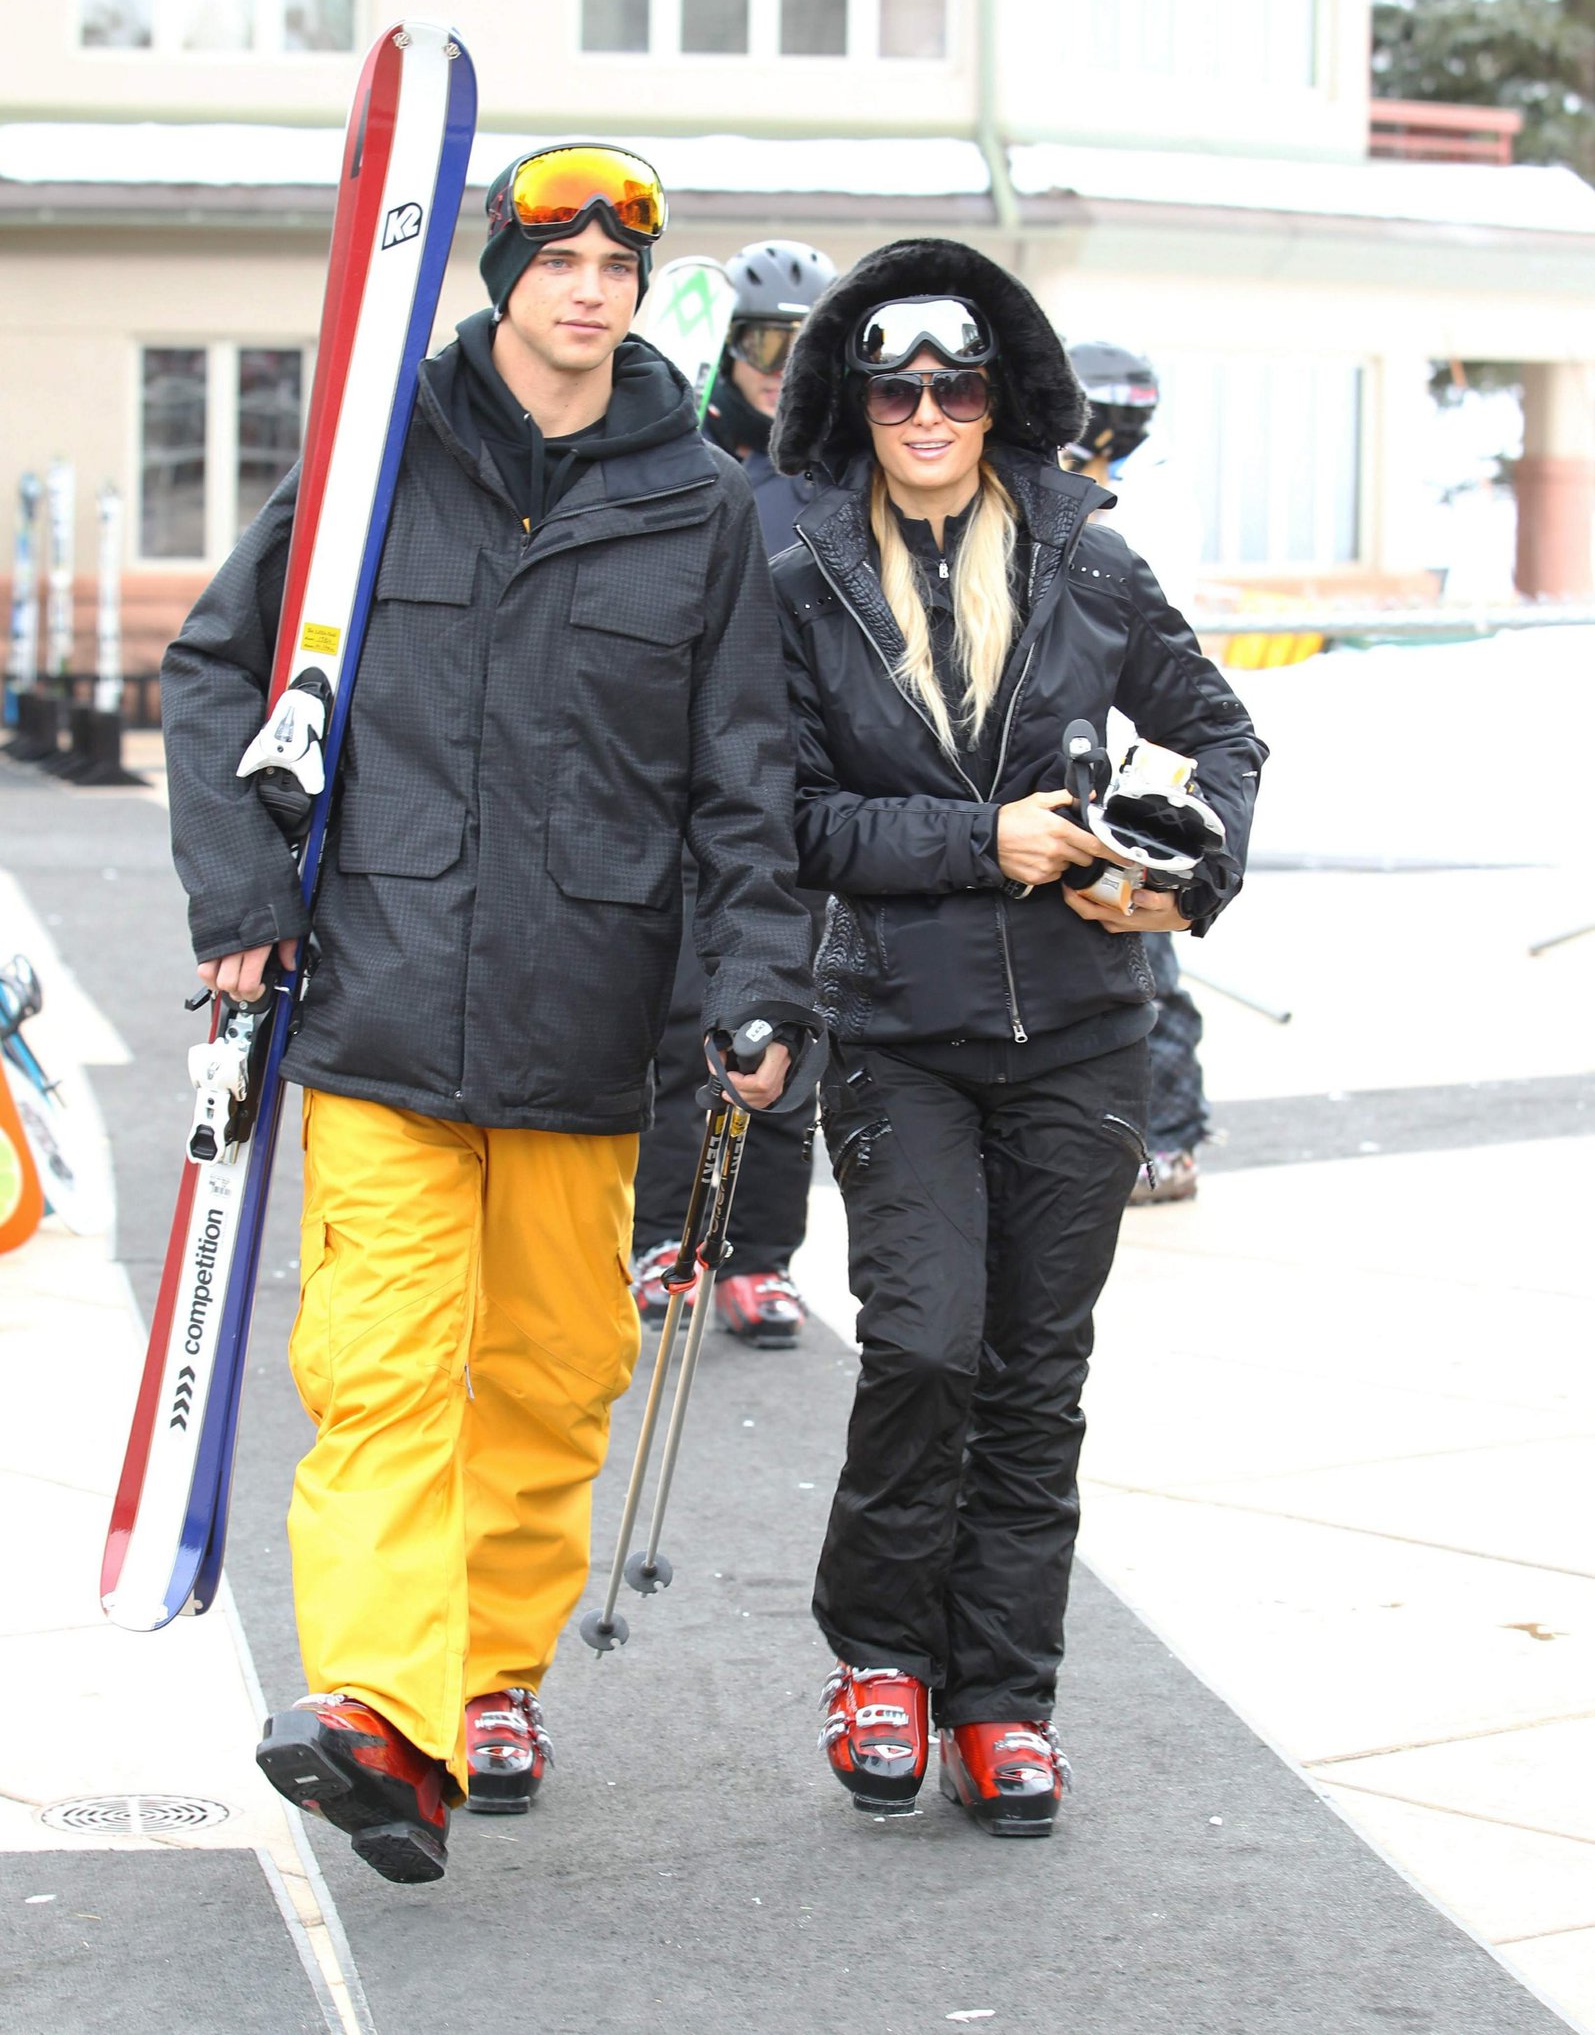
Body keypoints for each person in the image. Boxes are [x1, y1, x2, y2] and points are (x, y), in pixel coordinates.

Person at [161, 143, 818, 1884]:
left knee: (544, 1373)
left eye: (619, 261)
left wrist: (753, 981)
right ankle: (382, 1705)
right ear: (499, 275)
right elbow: (224, 666)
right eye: (559, 255)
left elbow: (748, 783)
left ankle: (492, 1672)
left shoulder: (698, 508)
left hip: (587, 1022)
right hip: (375, 1000)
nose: (589, 286)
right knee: (376, 1370)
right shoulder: (376, 465)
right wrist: (240, 902)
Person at [767, 243, 1264, 1836]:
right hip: (897, 1025)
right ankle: (880, 1663)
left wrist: (1184, 878)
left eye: (956, 385)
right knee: (924, 1344)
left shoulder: (1088, 565)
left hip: (1078, 1029)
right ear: (857, 400)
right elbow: (789, 816)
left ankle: (1001, 1697)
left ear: (1000, 402)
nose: (925, 411)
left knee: (1036, 1375)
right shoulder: (800, 578)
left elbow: (1219, 735)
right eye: (896, 386)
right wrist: (981, 843)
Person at [631, 239, 836, 1347]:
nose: (780, 368)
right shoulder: (690, 469)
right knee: (678, 1028)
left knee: (784, 1027)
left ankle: (760, 1255)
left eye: (804, 349)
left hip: (801, 793)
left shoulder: (847, 482)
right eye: (761, 344)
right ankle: (668, 1235)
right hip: (690, 782)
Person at [1067, 341, 1210, 1204]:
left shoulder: (1147, 495)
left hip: (1139, 760)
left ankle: (1171, 1138)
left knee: (1143, 949)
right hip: (1077, 749)